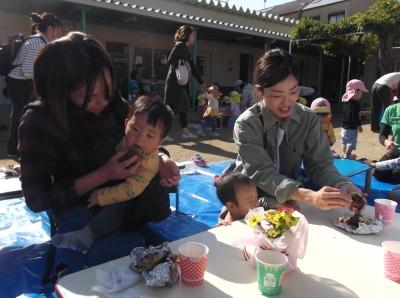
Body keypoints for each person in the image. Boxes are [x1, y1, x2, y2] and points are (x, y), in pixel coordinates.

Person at [0, 32, 180, 297]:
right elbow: (37, 199)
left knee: (159, 259)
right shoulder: (39, 122)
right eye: (90, 95)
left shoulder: (109, 102)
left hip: (123, 204)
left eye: (107, 89)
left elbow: (141, 136)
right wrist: (104, 174)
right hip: (79, 211)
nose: (104, 101)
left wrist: (162, 159)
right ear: (59, 88)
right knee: (106, 265)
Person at [232, 48, 361, 211]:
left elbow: (320, 164)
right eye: (277, 95)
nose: (287, 102)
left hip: (289, 197)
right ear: (260, 92)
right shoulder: (247, 123)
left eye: (293, 92)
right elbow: (261, 172)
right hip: (249, 199)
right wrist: (309, 196)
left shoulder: (308, 118)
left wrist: (341, 184)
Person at [51, 96, 173, 253]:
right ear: (125, 124)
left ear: (160, 142)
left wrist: (101, 196)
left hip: (139, 200)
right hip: (111, 187)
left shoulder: (148, 164)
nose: (140, 140)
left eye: (150, 136)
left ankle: (87, 235)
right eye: (135, 129)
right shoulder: (121, 139)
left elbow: (130, 190)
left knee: (117, 207)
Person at [5, 12, 62, 157]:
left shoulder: (40, 41)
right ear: (50, 28)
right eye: (58, 30)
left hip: (20, 83)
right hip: (20, 84)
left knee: (20, 115)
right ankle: (15, 149)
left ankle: (15, 148)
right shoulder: (37, 43)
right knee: (22, 115)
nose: (59, 34)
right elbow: (27, 70)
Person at [164, 25, 206, 140]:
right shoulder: (179, 46)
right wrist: (183, 62)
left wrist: (201, 83)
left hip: (181, 84)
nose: (194, 38)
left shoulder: (186, 49)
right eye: (193, 35)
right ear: (187, 35)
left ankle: (185, 132)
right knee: (169, 109)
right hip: (174, 83)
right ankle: (163, 134)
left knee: (183, 107)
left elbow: (193, 67)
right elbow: (170, 61)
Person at [215, 172, 298, 225]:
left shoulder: (251, 206)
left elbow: (262, 201)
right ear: (231, 206)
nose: (256, 203)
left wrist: (278, 204)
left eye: (256, 197)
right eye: (250, 201)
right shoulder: (227, 226)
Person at [341, 79, 368, 159]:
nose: (362, 94)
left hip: (343, 127)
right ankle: (347, 155)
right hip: (351, 128)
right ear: (355, 91)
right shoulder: (355, 104)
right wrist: (359, 125)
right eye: (361, 92)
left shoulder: (345, 102)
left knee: (345, 142)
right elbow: (354, 116)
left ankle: (345, 153)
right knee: (351, 143)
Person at [376, 97, 400, 183]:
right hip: (395, 153)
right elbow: (382, 136)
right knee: (378, 173)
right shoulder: (391, 110)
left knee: (396, 175)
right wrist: (387, 142)